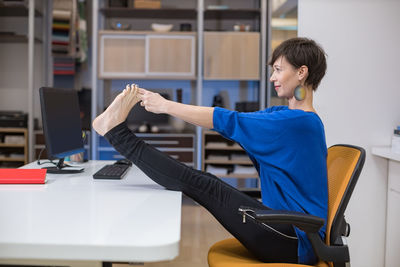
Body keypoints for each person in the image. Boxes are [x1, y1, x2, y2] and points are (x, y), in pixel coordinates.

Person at [92, 37, 328, 265]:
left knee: (206, 184)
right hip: (285, 227)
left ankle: (115, 132)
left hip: (296, 240)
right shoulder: (283, 116)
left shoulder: (299, 122)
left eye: (278, 70)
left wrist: (165, 105)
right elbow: (231, 122)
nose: (272, 77)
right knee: (205, 181)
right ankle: (114, 129)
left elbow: (229, 120)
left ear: (301, 72)